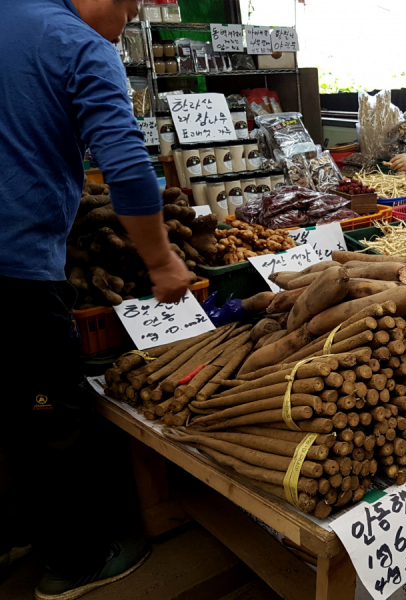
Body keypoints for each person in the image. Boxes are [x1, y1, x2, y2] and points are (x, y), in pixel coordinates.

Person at [0, 1, 191, 599]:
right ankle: (76, 562)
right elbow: (129, 166)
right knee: (47, 410)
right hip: (15, 274)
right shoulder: (79, 44)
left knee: (11, 405)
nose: (135, 13)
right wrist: (161, 260)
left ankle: (16, 531)